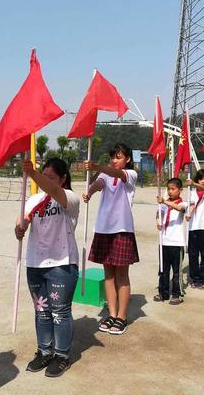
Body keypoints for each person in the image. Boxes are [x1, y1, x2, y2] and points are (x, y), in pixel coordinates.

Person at [15, 158, 80, 378]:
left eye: (50, 176)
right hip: (35, 263)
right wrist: (19, 227)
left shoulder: (69, 197)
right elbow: (23, 219)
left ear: (63, 178)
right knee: (42, 311)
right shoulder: (33, 199)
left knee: (60, 313)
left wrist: (34, 174)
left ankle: (62, 355)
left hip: (61, 264)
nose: (45, 180)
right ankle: (45, 351)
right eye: (44, 175)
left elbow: (52, 190)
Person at [82, 143, 138, 335]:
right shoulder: (105, 174)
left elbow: (118, 175)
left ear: (127, 159)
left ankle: (122, 316)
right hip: (104, 229)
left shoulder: (130, 175)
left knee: (121, 276)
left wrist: (97, 167)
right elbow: (99, 184)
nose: (115, 160)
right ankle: (112, 314)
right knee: (109, 275)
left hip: (122, 229)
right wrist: (89, 191)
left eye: (119, 157)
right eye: (113, 157)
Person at [154, 178, 187, 305]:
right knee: (163, 269)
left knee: (177, 272)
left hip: (176, 243)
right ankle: (163, 292)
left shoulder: (183, 203)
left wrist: (165, 201)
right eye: (168, 189)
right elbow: (159, 213)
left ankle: (177, 294)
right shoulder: (163, 204)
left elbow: (179, 208)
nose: (170, 191)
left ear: (180, 190)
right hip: (164, 242)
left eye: (173, 189)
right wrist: (158, 221)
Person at [186, 168, 204, 289]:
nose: (203, 181)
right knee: (193, 254)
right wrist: (189, 214)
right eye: (201, 179)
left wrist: (193, 183)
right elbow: (192, 205)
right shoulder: (191, 192)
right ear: (198, 179)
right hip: (193, 226)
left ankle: (202, 279)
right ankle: (194, 277)